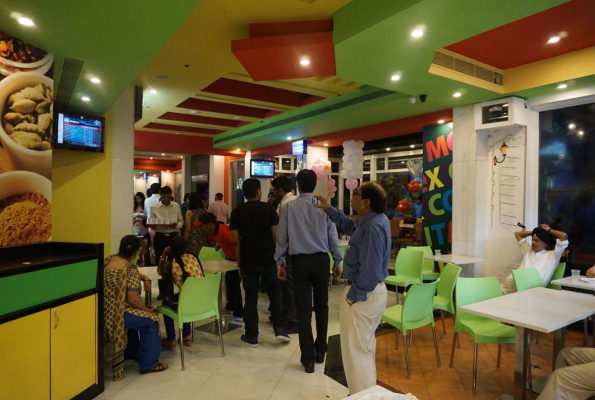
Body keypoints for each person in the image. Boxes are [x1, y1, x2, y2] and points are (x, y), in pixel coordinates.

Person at [314, 183, 390, 394]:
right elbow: (349, 226)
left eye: (355, 193)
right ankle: (366, 394)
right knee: (363, 349)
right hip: (370, 294)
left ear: (366, 202)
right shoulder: (373, 220)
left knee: (356, 353)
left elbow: (370, 272)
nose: (352, 196)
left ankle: (361, 395)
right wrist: (328, 208)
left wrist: (353, 296)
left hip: (363, 295)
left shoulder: (372, 227)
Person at [275, 169, 342, 373]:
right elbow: (332, 234)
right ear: (315, 185)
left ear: (298, 186)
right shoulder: (322, 205)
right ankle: (321, 350)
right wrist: (337, 260)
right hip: (321, 261)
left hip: (300, 262)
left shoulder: (289, 207)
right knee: (322, 306)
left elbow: (282, 237)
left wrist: (279, 261)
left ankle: (308, 359)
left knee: (303, 310)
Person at [230, 178, 289, 347]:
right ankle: (280, 330)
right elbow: (276, 236)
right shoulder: (269, 209)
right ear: (258, 192)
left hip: (248, 260)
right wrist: (280, 259)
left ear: (244, 193)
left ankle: (251, 335)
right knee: (275, 294)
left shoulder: (237, 212)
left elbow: (236, 241)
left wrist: (239, 263)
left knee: (250, 298)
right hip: (268, 259)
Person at [104, 236, 168, 380]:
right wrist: (148, 310)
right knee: (151, 320)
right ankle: (149, 363)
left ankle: (131, 351)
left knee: (138, 314)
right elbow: (133, 301)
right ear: (135, 253)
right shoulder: (130, 270)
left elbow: (123, 274)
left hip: (104, 310)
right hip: (118, 314)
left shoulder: (109, 260)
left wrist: (144, 277)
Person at [195, 212, 244, 321]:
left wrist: (239, 262)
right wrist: (219, 245)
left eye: (202, 226)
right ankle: (231, 306)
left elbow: (237, 241)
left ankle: (239, 313)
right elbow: (224, 241)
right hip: (231, 259)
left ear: (209, 224)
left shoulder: (223, 231)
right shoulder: (215, 231)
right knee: (229, 281)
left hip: (237, 260)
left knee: (234, 285)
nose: (201, 229)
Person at [157, 236, 203, 349]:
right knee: (186, 297)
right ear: (185, 248)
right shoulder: (193, 258)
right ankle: (186, 335)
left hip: (184, 304)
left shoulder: (171, 264)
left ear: (171, 249)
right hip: (199, 302)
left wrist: (164, 253)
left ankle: (171, 339)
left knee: (167, 302)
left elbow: (159, 271)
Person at [501, 224, 569, 294]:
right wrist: (535, 231)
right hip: (510, 287)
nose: (533, 243)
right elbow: (517, 234)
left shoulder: (553, 254)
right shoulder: (528, 250)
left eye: (536, 240)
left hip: (531, 290)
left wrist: (548, 230)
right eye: (532, 240)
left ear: (545, 243)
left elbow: (564, 236)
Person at [271, 175, 298, 334]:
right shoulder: (291, 201)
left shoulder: (286, 205)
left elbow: (282, 233)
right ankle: (289, 317)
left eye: (275, 190)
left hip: (288, 251)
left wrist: (280, 257)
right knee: (290, 287)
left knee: (289, 287)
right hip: (296, 250)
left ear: (281, 190)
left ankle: (293, 320)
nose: (274, 193)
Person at [151, 186, 184, 300]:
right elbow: (152, 222)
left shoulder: (176, 206)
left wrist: (175, 225)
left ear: (171, 195)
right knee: (160, 262)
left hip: (172, 236)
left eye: (168, 197)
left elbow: (181, 221)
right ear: (161, 195)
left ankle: (171, 290)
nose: (166, 199)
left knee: (173, 262)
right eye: (164, 197)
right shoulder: (154, 207)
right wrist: (153, 226)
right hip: (160, 236)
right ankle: (162, 291)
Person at [184, 193, 209, 257]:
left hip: (193, 239)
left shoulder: (189, 212)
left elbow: (188, 229)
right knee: (202, 257)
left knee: (193, 258)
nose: (187, 201)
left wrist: (184, 240)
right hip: (203, 237)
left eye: (188, 199)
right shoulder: (205, 210)